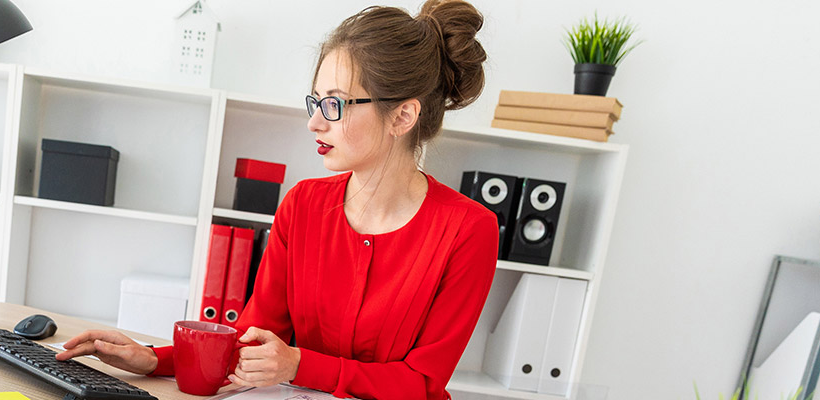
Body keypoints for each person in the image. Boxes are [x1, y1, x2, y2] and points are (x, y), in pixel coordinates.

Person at [56, 1, 494, 398]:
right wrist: (155, 359)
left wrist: (300, 363)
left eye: (335, 105)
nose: (314, 123)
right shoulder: (303, 204)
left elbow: (420, 382)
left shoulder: (468, 230)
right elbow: (252, 339)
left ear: (402, 115)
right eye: (316, 102)